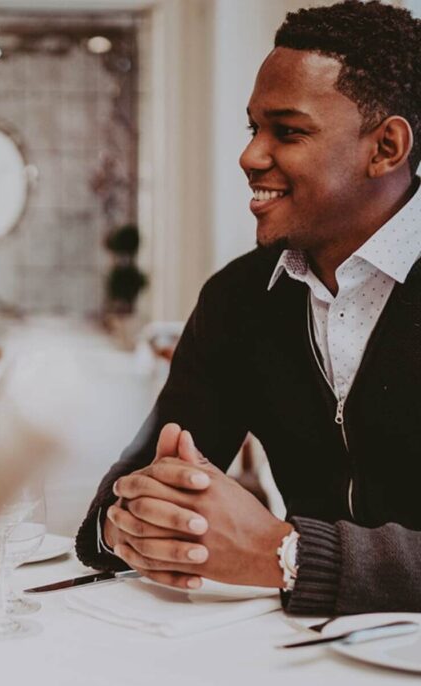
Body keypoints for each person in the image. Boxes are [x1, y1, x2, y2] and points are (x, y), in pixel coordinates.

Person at [76, 0, 421, 616]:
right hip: (301, 664)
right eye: (253, 128)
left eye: (287, 131)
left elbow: (275, 552)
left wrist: (285, 553)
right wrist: (127, 522)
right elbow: (141, 474)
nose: (251, 156)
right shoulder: (238, 299)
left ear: (387, 147)